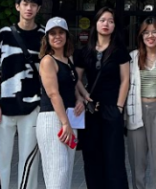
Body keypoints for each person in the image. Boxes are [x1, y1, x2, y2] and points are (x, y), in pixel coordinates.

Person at [0, 0, 46, 189]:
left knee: (30, 160)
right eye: (25, 4)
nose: (29, 8)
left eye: (33, 4)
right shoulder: (4, 34)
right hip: (4, 105)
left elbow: (48, 72)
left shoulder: (43, 36)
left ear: (38, 9)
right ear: (17, 6)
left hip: (32, 106)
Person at [75, 8, 131, 189]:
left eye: (111, 21)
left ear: (115, 26)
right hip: (91, 111)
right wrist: (83, 97)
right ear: (96, 24)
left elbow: (125, 81)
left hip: (111, 108)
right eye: (102, 20)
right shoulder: (85, 52)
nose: (106, 24)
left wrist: (119, 108)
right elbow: (76, 79)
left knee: (114, 158)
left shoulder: (119, 51)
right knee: (92, 157)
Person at [36, 17, 90, 189]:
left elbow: (72, 85)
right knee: (57, 177)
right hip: (53, 119)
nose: (57, 36)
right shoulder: (47, 61)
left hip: (68, 118)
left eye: (61, 32)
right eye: (53, 33)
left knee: (65, 175)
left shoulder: (68, 59)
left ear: (67, 36)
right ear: (47, 37)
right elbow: (53, 94)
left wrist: (80, 99)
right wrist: (65, 123)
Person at [125, 17, 156, 189]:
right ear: (141, 36)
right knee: (137, 161)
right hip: (137, 111)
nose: (150, 36)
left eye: (154, 31)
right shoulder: (132, 58)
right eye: (146, 32)